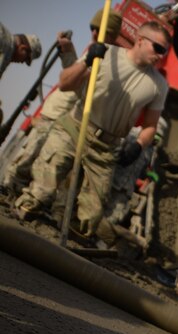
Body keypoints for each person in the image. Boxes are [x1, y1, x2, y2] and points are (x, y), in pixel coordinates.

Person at [14, 20, 169, 248]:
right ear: (140, 40)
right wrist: (87, 61)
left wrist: (138, 145)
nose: (161, 55)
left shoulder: (158, 85)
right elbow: (65, 83)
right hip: (74, 129)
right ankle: (16, 228)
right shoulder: (105, 55)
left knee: (89, 219)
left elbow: (150, 126)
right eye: (158, 48)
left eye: (164, 51)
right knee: (40, 193)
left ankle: (62, 254)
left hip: (106, 148)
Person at [2, 10, 123, 198]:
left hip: (61, 118)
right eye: (93, 29)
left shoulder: (106, 58)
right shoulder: (93, 51)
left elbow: (75, 83)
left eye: (99, 30)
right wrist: (69, 51)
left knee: (31, 159)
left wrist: (77, 59)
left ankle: (10, 191)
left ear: (110, 34)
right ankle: (8, 189)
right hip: (52, 113)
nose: (93, 33)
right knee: (28, 156)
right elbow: (74, 72)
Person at [0, 26, 41, 123]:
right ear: (23, 48)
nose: (22, 62)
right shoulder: (6, 50)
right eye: (26, 59)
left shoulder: (5, 37)